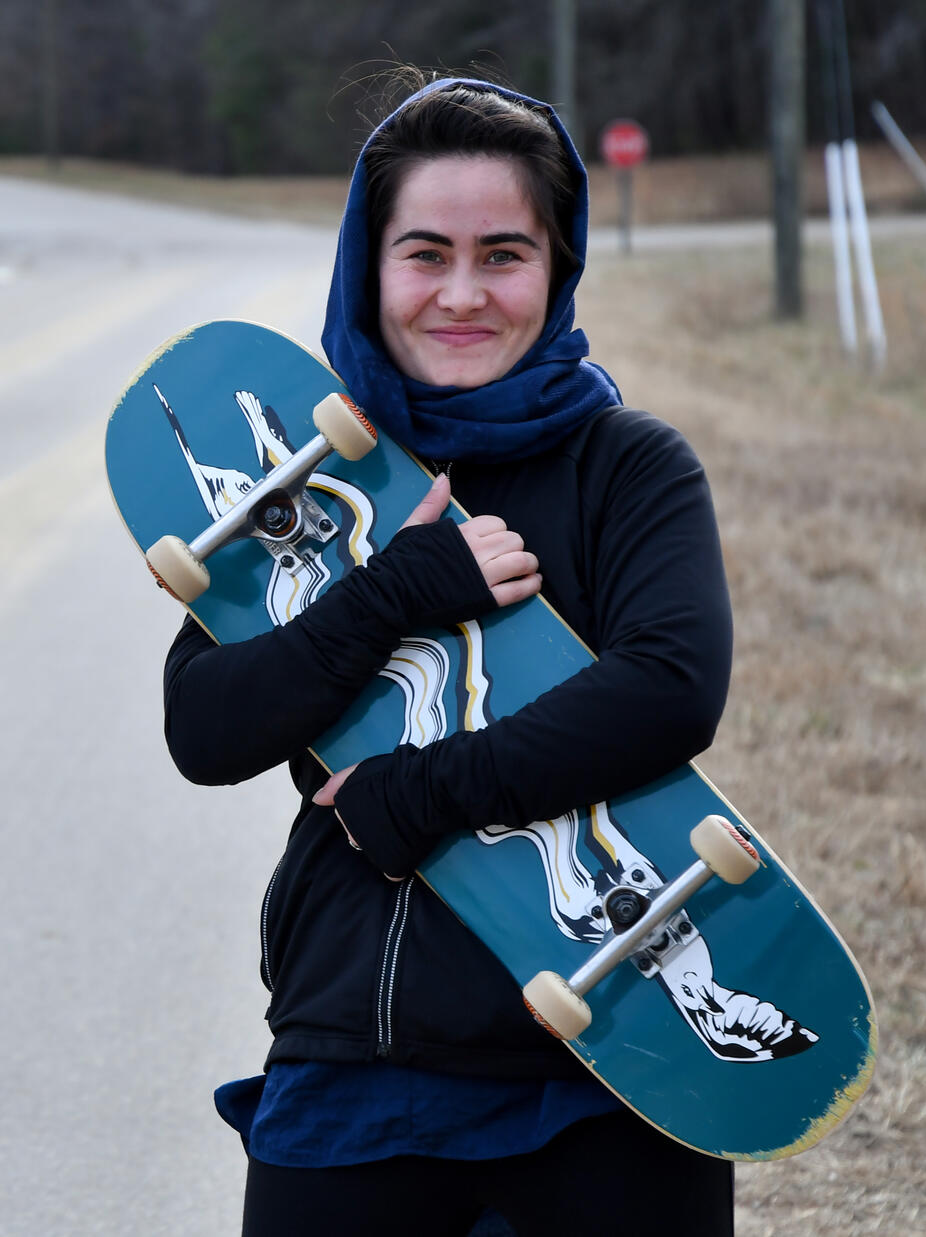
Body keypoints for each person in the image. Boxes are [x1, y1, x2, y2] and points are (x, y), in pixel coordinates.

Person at [163, 73, 735, 1236]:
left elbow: (669, 689)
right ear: (368, 269)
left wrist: (420, 794)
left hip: (611, 1050)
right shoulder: (306, 486)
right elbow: (205, 727)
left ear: (557, 267)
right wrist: (393, 590)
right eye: (424, 254)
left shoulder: (626, 466)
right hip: (354, 1055)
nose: (462, 293)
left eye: (503, 254)